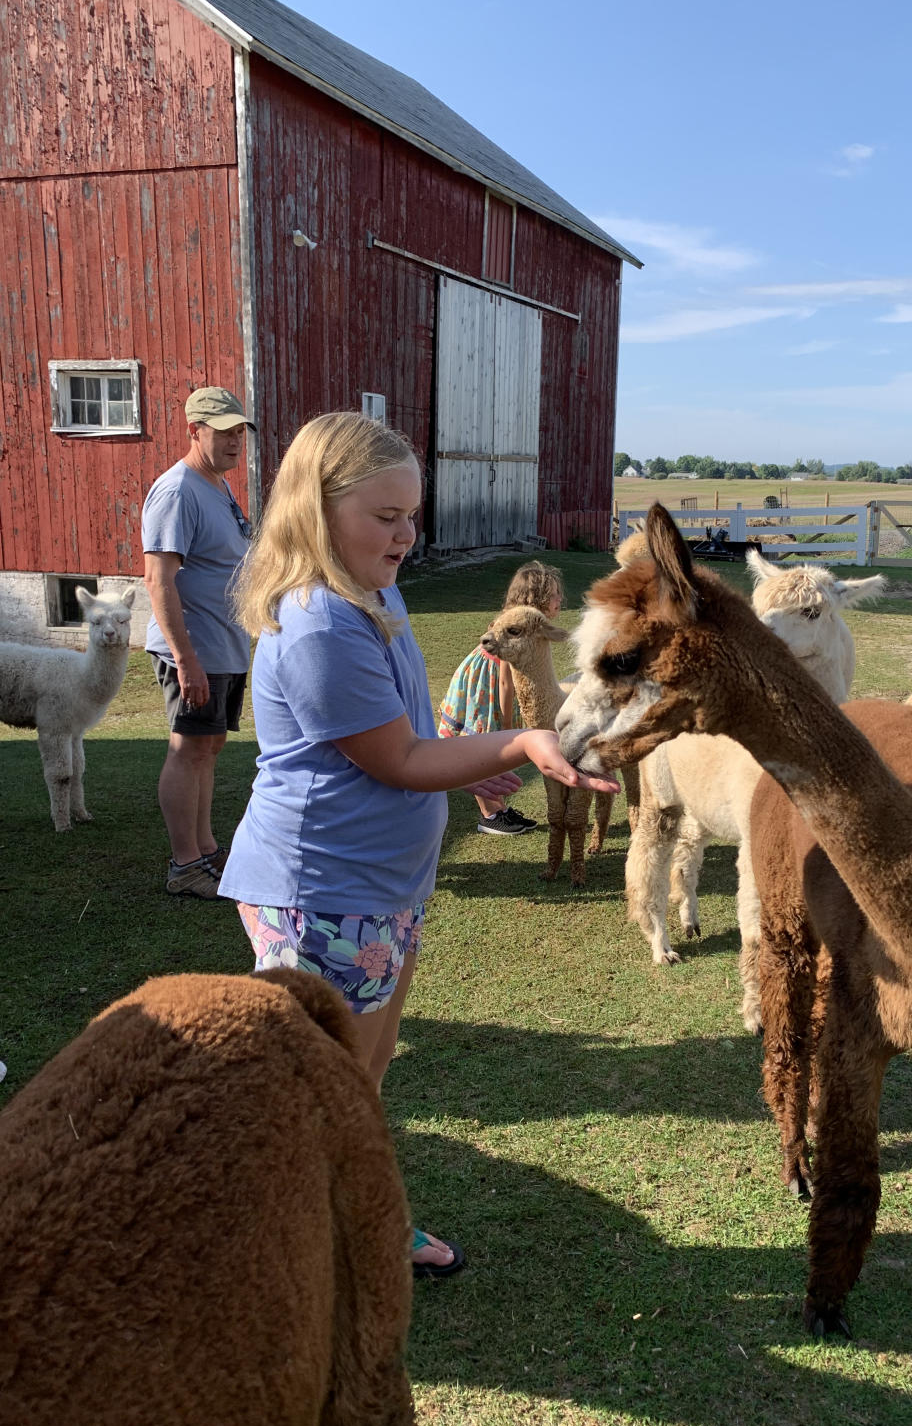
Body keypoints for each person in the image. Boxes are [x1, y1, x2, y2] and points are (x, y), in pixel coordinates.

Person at [217, 412, 616, 1276]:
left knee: (366, 1068)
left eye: (412, 514)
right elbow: (398, 759)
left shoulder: (375, 591)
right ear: (316, 509)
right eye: (383, 515)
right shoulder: (321, 622)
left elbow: (406, 729)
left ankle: (341, 1222)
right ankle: (305, 1242)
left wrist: (477, 754)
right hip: (324, 890)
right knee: (323, 1085)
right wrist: (517, 745)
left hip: (379, 884)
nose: (405, 534)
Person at [142, 386, 255, 899]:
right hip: (196, 650)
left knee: (209, 747)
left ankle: (206, 849)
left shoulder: (218, 486)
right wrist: (185, 660)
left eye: (239, 431)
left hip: (224, 646)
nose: (236, 441)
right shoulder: (178, 490)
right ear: (194, 430)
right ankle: (185, 864)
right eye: (224, 431)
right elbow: (158, 579)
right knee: (188, 750)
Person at [437, 559, 566, 836]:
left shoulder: (526, 624)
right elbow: (506, 681)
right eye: (554, 594)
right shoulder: (515, 626)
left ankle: (499, 808)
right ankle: (490, 814)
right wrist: (508, 726)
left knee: (492, 749)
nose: (560, 599)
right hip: (489, 685)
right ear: (537, 597)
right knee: (488, 745)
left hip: (488, 679)